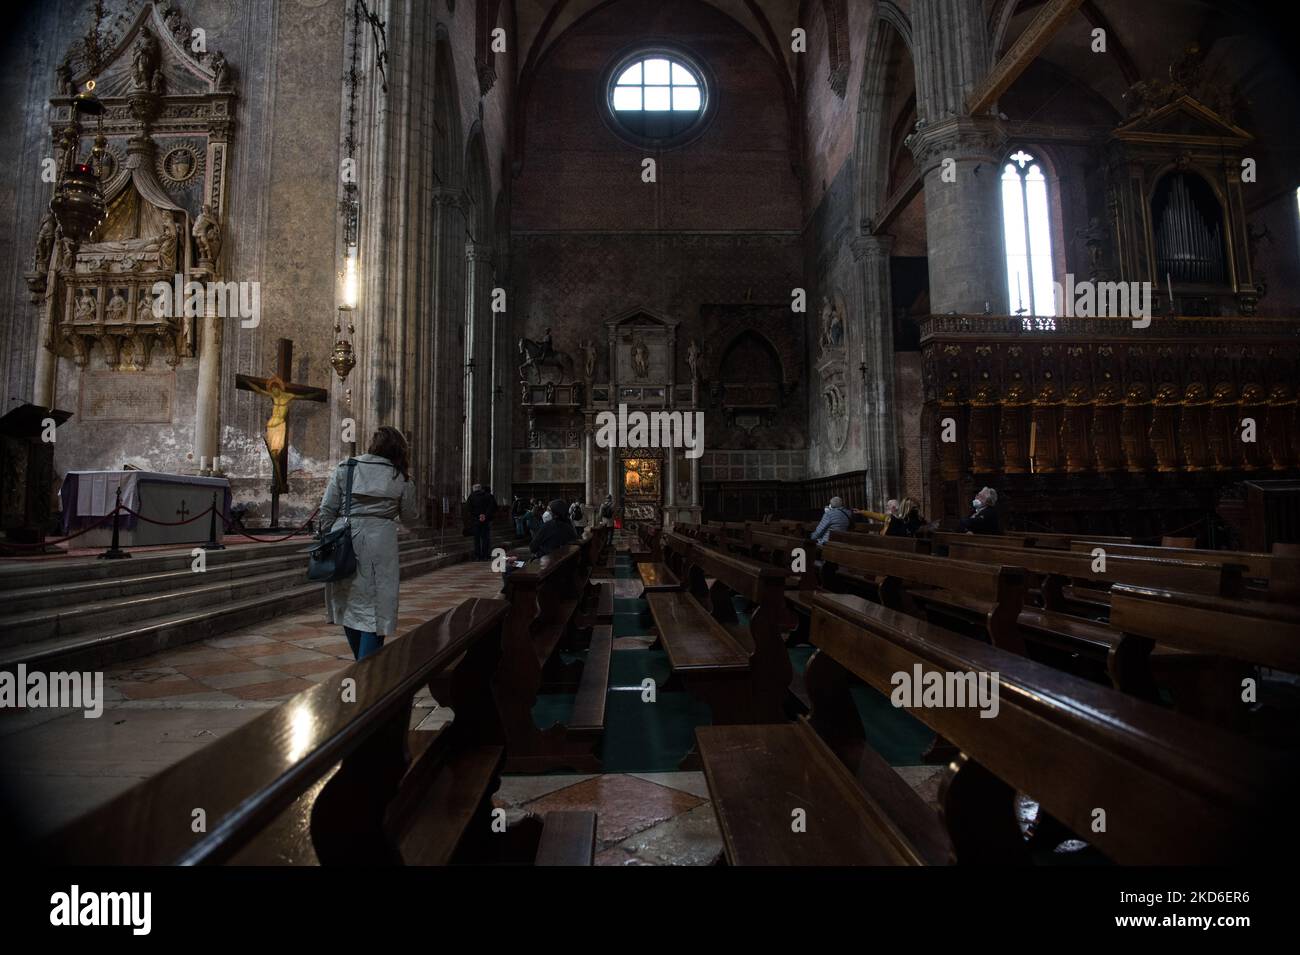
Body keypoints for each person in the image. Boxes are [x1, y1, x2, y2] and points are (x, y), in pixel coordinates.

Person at [319, 426, 417, 661]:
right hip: (381, 541)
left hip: (345, 537)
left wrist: (328, 540)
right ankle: (365, 672)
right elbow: (410, 516)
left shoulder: (347, 467)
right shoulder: (401, 476)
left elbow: (326, 510)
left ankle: (362, 665)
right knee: (377, 608)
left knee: (349, 603)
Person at [465, 482, 497, 560]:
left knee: (476, 539)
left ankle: (477, 556)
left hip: (476, 521)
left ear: (473, 489)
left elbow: (468, 509)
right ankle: (485, 556)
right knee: (485, 538)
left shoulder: (471, 497)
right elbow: (494, 507)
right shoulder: (489, 496)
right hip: (486, 520)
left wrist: (478, 516)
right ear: (481, 489)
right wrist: (485, 515)